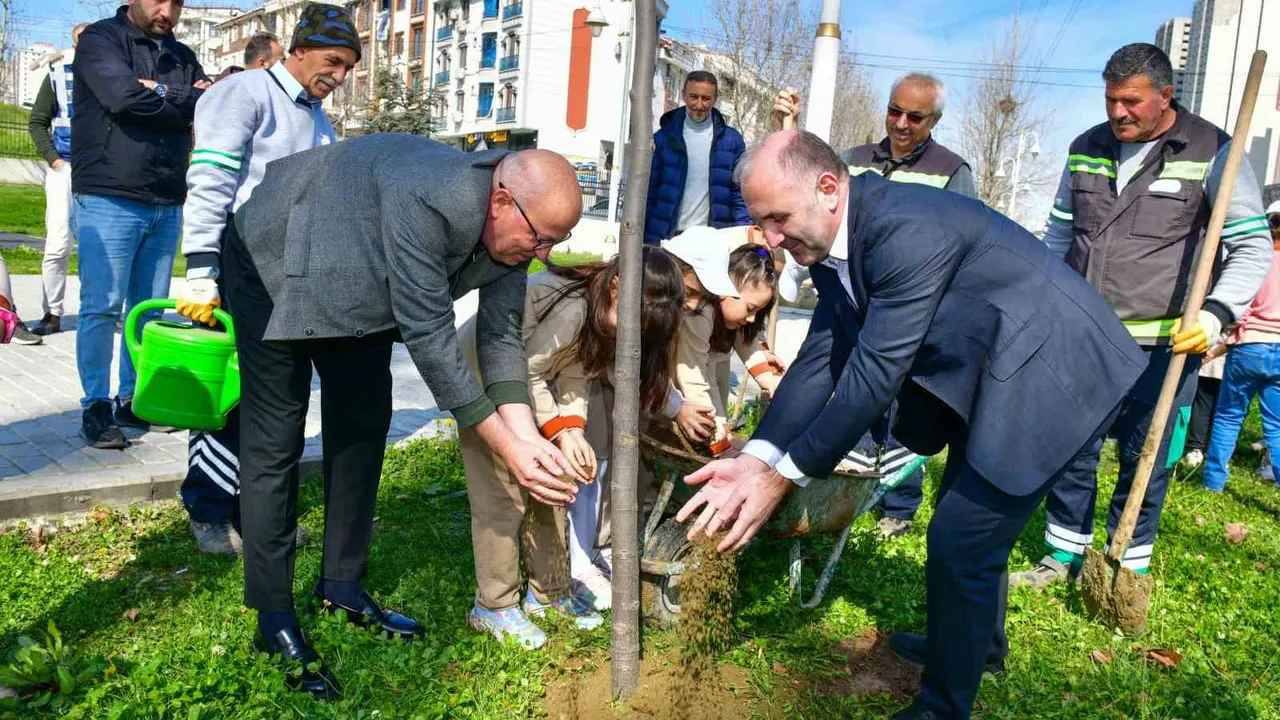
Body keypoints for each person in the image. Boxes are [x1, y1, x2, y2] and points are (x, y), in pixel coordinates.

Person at [674, 129, 1147, 720]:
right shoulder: (828, 243)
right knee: (964, 530)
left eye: (778, 218)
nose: (770, 238)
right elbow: (825, 355)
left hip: (1054, 373)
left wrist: (784, 476)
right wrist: (756, 456)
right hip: (995, 369)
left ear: (827, 188)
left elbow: (872, 376)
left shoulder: (907, 229)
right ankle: (976, 646)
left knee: (961, 539)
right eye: (760, 220)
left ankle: (945, 705)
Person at [228, 134, 586, 698]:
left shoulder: (516, 230)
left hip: (355, 274)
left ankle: (341, 585)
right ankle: (273, 616)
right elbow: (429, 334)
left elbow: (498, 336)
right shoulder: (429, 198)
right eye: (541, 239)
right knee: (276, 439)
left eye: (557, 242)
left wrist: (524, 434)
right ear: (500, 203)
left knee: (365, 423)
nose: (544, 254)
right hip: (274, 260)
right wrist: (507, 445)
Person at [1012, 43, 1271, 589]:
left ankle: (1125, 564)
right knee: (1071, 450)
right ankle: (1064, 557)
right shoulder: (1086, 148)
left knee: (1147, 458)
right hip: (1082, 337)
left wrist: (1216, 314)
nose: (1118, 113)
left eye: (1132, 101)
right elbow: (1058, 235)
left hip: (1162, 347)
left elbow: (1249, 246)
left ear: (1165, 96)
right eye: (1111, 100)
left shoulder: (1212, 151)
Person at [173, 3, 359, 557]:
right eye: (333, 61)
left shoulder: (314, 114)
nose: (340, 77)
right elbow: (209, 180)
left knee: (272, 400)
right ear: (297, 50)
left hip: (286, 274)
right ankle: (207, 509)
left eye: (349, 67)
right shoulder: (246, 94)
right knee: (225, 394)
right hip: (235, 264)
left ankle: (255, 511)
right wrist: (202, 269)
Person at [774, 72, 976, 538]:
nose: (901, 123)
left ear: (935, 120)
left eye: (915, 116)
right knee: (855, 391)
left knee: (908, 405)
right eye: (894, 111)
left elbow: (960, 240)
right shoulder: (856, 161)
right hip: (852, 303)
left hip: (910, 311)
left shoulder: (951, 170)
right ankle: (852, 485)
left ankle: (899, 506)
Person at [459, 247, 686, 647]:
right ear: (617, 288)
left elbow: (575, 374)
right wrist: (544, 433)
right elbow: (524, 370)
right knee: (503, 491)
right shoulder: (573, 309)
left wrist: (571, 430)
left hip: (529, 383)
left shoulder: (604, 314)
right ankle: (494, 605)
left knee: (555, 479)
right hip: (486, 375)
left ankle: (548, 592)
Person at [71, 0, 211, 449]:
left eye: (177, 2)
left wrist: (163, 92)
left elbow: (207, 107)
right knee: (102, 306)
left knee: (148, 310)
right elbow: (121, 97)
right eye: (158, 0)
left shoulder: (183, 54)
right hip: (109, 191)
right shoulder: (100, 39)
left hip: (167, 195)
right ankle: (95, 405)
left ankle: (134, 398)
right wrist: (179, 98)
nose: (167, 10)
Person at [1201, 200, 1280, 493]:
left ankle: (1213, 484)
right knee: (1277, 427)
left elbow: (1240, 310)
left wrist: (1220, 345)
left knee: (1228, 417)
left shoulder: (1256, 263)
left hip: (1248, 348)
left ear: (1268, 225)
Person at [25, 22, 88, 337]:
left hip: (102, 173)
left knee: (99, 246)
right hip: (64, 169)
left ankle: (101, 311)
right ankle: (52, 312)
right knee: (57, 244)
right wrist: (54, 159)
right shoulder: (58, 75)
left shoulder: (114, 71)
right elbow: (37, 122)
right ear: (73, 42)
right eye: (82, 39)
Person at [644, 70, 751, 245]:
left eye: (706, 98)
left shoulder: (732, 141)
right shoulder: (663, 139)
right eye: (693, 96)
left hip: (712, 239)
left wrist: (744, 238)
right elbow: (650, 192)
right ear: (684, 95)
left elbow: (738, 195)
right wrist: (645, 238)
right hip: (667, 238)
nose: (699, 104)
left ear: (715, 99)